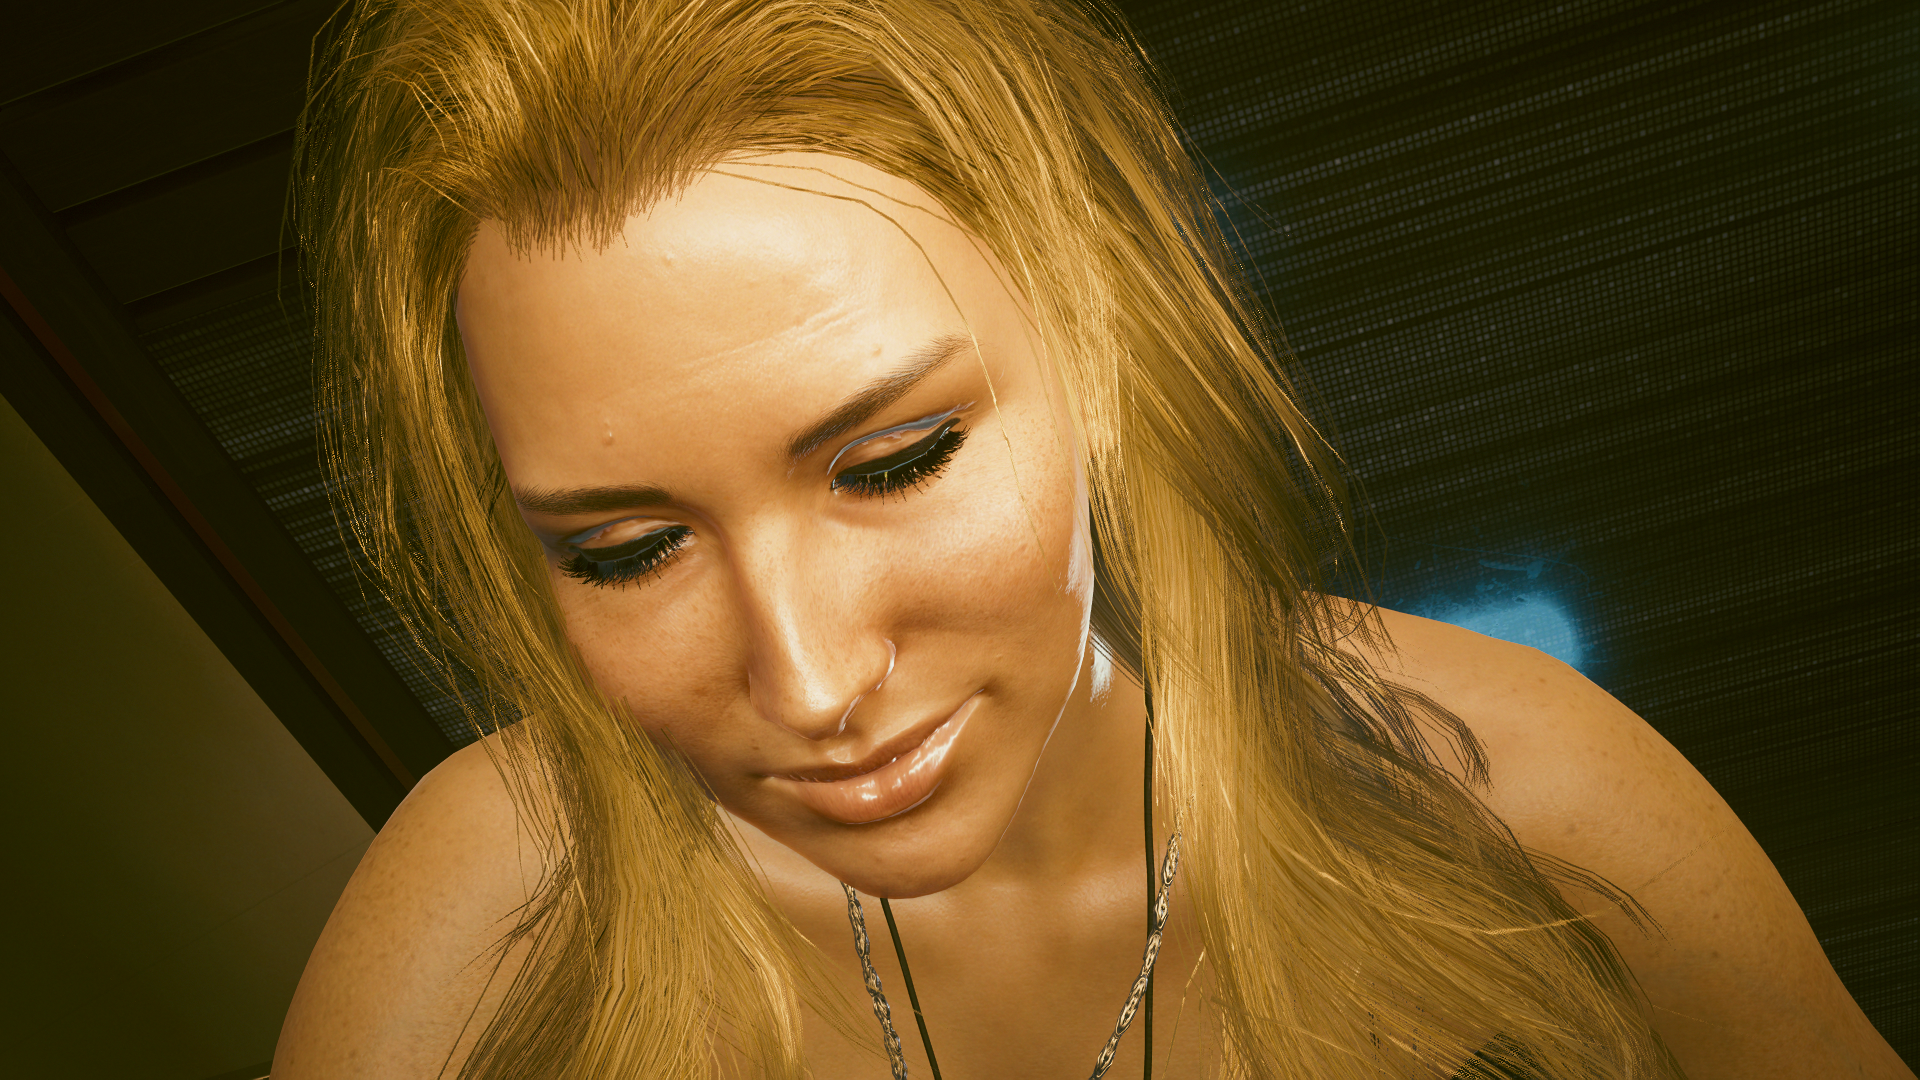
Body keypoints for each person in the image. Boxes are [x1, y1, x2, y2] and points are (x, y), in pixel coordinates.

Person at [272, 1, 1912, 1077]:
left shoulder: (1525, 813)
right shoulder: (490, 918)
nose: (811, 680)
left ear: (1101, 353)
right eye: (627, 552)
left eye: (896, 462)